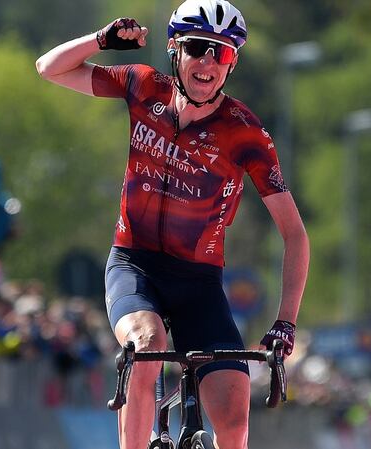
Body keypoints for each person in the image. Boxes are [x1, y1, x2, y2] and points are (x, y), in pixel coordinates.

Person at [36, 1, 309, 448]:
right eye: (198, 48)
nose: (207, 63)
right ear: (174, 49)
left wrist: (286, 323)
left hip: (198, 283)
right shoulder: (143, 86)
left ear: (232, 64)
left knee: (236, 418)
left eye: (220, 54)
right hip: (134, 266)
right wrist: (102, 41)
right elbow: (49, 67)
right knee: (147, 345)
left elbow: (294, 234)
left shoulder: (245, 133)